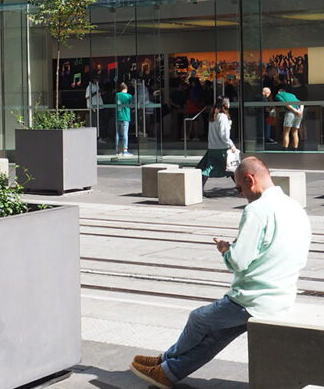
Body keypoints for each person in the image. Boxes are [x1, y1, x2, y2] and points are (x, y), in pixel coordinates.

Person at [129, 157, 311, 387]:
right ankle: (168, 372)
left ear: (250, 179)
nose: (240, 193)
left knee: (197, 320)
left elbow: (238, 262)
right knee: (216, 336)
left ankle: (166, 359)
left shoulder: (257, 210)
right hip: (282, 296)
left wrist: (226, 249)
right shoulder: (294, 207)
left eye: (239, 187)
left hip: (252, 300)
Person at [199, 97, 238, 195]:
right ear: (225, 105)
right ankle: (240, 188)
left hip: (212, 147)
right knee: (231, 167)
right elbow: (224, 134)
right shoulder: (223, 117)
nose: (230, 104)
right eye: (228, 103)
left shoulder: (213, 116)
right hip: (222, 147)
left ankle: (199, 189)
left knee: (208, 169)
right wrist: (231, 145)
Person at [276, 83, 303, 150]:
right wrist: (300, 112)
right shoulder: (292, 95)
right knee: (295, 131)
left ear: (279, 91)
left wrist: (294, 111)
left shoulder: (279, 95)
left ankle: (285, 148)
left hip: (290, 113)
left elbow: (286, 104)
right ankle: (295, 148)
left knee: (286, 132)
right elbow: (301, 103)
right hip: (299, 113)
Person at [116, 82, 133, 157]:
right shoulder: (129, 96)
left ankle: (117, 150)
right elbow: (131, 105)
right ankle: (125, 150)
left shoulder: (117, 95)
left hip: (118, 115)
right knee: (125, 132)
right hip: (126, 116)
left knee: (117, 133)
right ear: (126, 89)